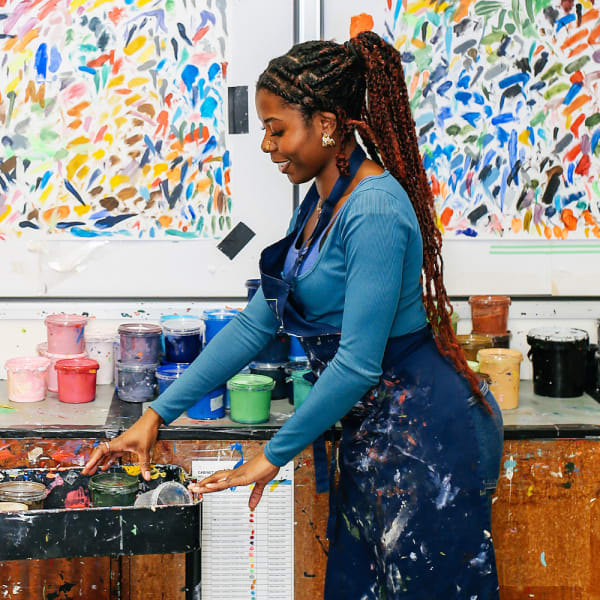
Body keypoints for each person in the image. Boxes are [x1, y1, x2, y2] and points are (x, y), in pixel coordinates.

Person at [83, 31, 504, 599]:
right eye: (264, 128)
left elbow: (356, 367)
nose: (266, 145)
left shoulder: (373, 208)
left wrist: (271, 456)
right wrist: (156, 417)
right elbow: (257, 324)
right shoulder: (322, 201)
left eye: (277, 128)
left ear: (326, 123)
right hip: (373, 433)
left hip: (427, 436)